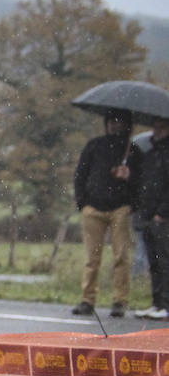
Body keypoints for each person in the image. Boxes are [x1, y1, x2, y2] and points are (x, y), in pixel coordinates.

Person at [72, 110, 141, 317]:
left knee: (121, 256)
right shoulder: (94, 146)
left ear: (127, 125)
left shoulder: (133, 151)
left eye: (119, 121)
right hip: (93, 208)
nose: (114, 125)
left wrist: (129, 178)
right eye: (111, 121)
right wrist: (82, 203)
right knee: (91, 258)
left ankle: (120, 300)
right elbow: (80, 174)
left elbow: (141, 182)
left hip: (120, 208)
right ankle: (87, 299)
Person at [133, 116, 169, 320]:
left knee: (164, 261)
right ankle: (157, 303)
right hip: (148, 215)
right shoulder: (150, 153)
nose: (157, 131)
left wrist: (162, 212)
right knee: (154, 262)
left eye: (162, 127)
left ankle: (165, 303)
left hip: (162, 217)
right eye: (155, 127)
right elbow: (143, 182)